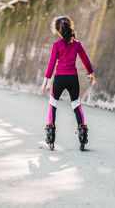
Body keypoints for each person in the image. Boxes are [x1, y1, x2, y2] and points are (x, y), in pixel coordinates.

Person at [41, 16, 96, 151]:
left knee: (53, 103)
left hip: (60, 78)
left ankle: (51, 134)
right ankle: (82, 133)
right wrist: (91, 73)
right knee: (76, 105)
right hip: (73, 78)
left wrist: (45, 81)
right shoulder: (77, 44)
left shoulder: (56, 45)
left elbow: (52, 63)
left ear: (58, 31)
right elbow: (85, 59)